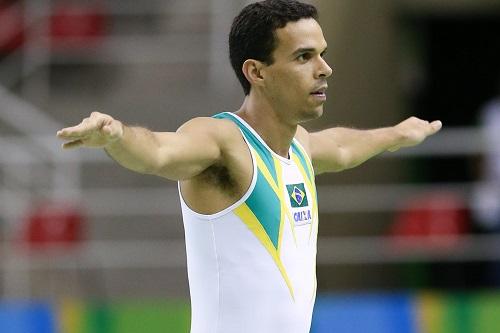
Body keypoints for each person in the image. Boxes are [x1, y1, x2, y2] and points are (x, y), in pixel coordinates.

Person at [56, 1, 442, 332]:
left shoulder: (300, 146)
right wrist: (118, 135)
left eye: (323, 54)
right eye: (304, 56)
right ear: (257, 72)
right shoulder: (222, 141)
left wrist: (396, 134)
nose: (324, 68)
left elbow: (340, 146)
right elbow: (158, 151)